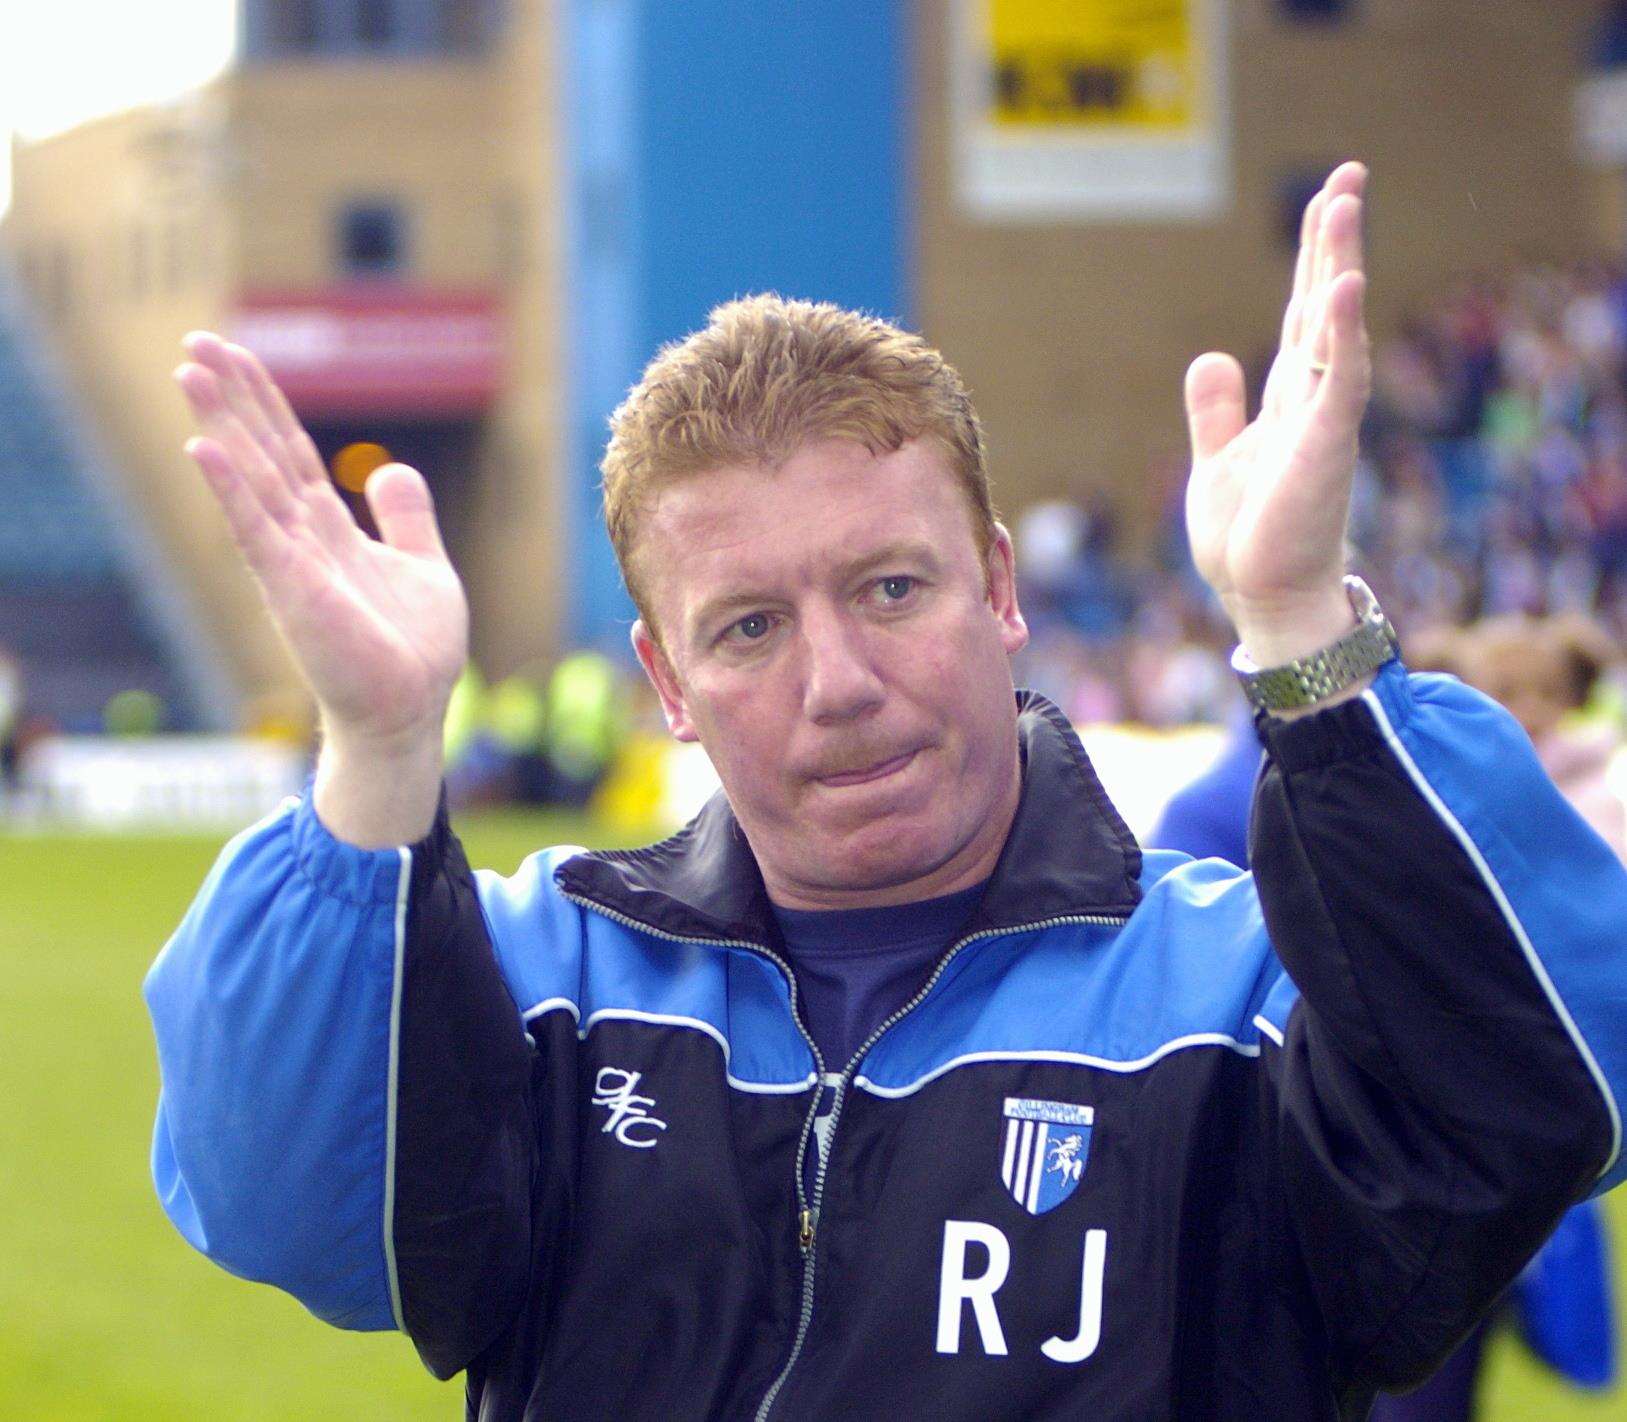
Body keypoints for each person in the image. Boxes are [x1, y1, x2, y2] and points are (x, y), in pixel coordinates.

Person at [144, 163, 1627, 1420]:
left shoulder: (1237, 991)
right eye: (750, 626)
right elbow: (294, 1208)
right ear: (668, 681)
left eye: (890, 585)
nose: (837, 679)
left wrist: (1304, 627)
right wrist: (380, 751)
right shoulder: (552, 980)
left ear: (998, 587)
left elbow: (1545, 1096)